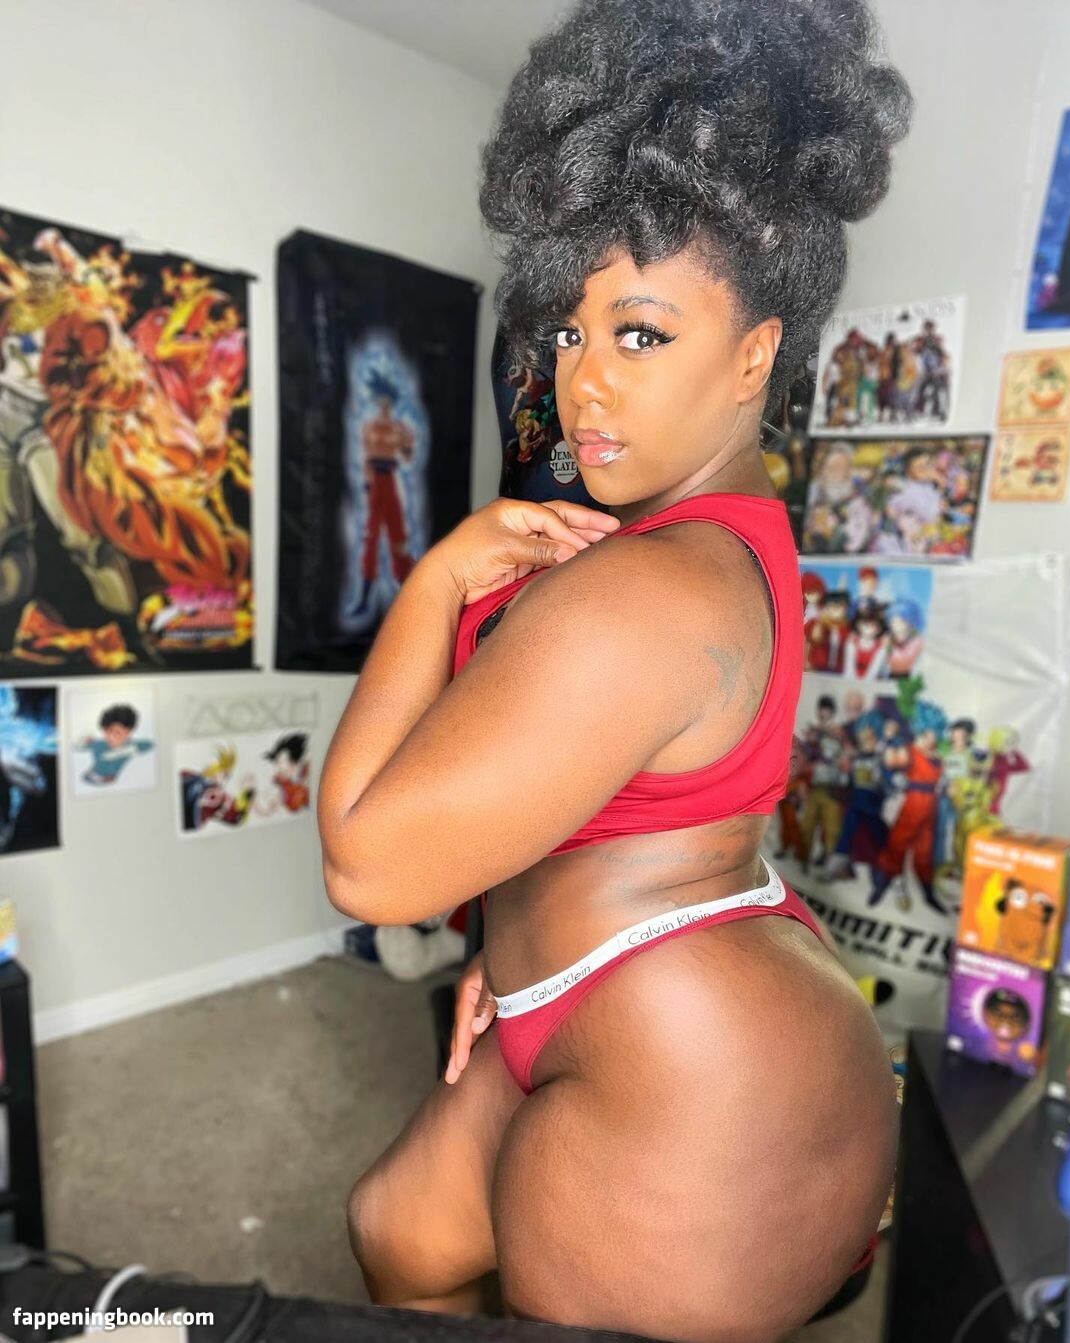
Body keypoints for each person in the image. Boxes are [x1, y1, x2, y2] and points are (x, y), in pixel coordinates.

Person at [318, 0, 910, 1337]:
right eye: (569, 333)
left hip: (697, 1072)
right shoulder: (704, 535)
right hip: (588, 983)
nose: (583, 384)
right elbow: (594, 794)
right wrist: (515, 939)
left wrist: (438, 578)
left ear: (755, 353)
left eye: (639, 333)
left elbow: (366, 866)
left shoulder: (651, 587)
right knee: (398, 1234)